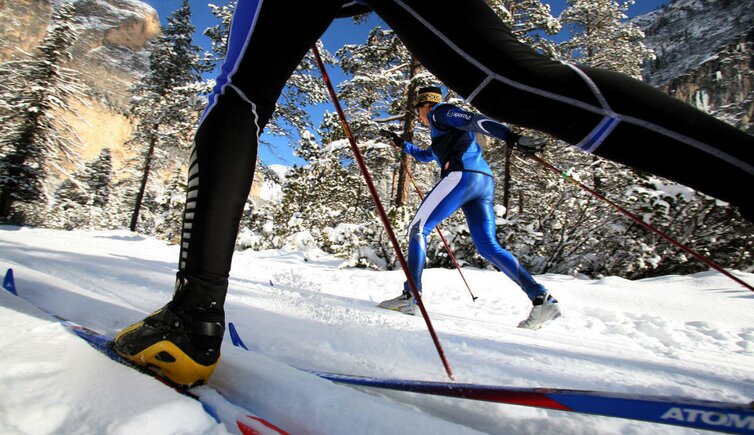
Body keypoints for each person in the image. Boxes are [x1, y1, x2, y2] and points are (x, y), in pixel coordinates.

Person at [114, 0, 754, 387]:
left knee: (240, 94)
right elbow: (474, 118)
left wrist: (482, 132)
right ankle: (540, 294)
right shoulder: (437, 126)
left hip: (465, 178)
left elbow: (465, 121)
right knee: (505, 89)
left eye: (423, 107)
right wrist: (428, 147)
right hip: (475, 180)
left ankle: (193, 318)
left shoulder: (444, 114)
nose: (423, 111)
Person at [377, 86, 561, 330]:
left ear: (425, 105)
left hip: (462, 176)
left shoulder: (440, 112)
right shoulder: (442, 132)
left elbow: (475, 121)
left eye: (418, 112)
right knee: (488, 246)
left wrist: (511, 138)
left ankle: (411, 297)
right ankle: (541, 299)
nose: (419, 118)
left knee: (418, 228)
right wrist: (400, 143)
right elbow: (425, 155)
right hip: (482, 183)